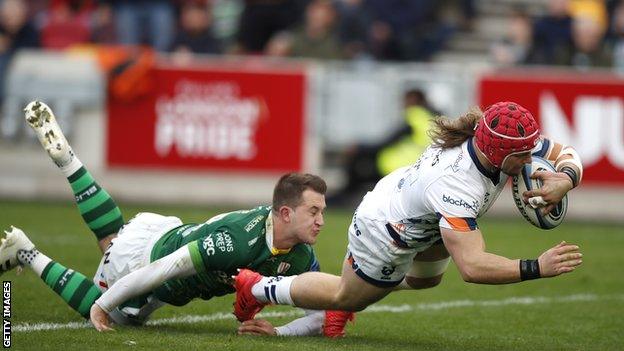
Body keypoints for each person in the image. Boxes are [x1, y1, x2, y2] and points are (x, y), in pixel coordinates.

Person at [232, 101, 585, 333]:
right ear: (497, 153)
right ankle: (258, 286)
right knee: (347, 297)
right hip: (385, 228)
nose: (529, 161)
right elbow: (473, 267)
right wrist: (537, 267)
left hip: (418, 210)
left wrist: (564, 178)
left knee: (425, 280)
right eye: (522, 157)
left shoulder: (495, 135)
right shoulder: (457, 185)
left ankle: (368, 283)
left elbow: (564, 152)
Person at [0, 101, 345, 337]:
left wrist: (280, 331)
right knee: (111, 309)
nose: (321, 221)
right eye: (314, 211)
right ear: (285, 213)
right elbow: (165, 268)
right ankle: (26, 251)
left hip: (169, 231)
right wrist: (104, 305)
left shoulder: (299, 253)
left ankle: (69, 164)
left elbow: (320, 312)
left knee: (110, 241)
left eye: (323, 212)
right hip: (150, 256)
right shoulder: (237, 240)